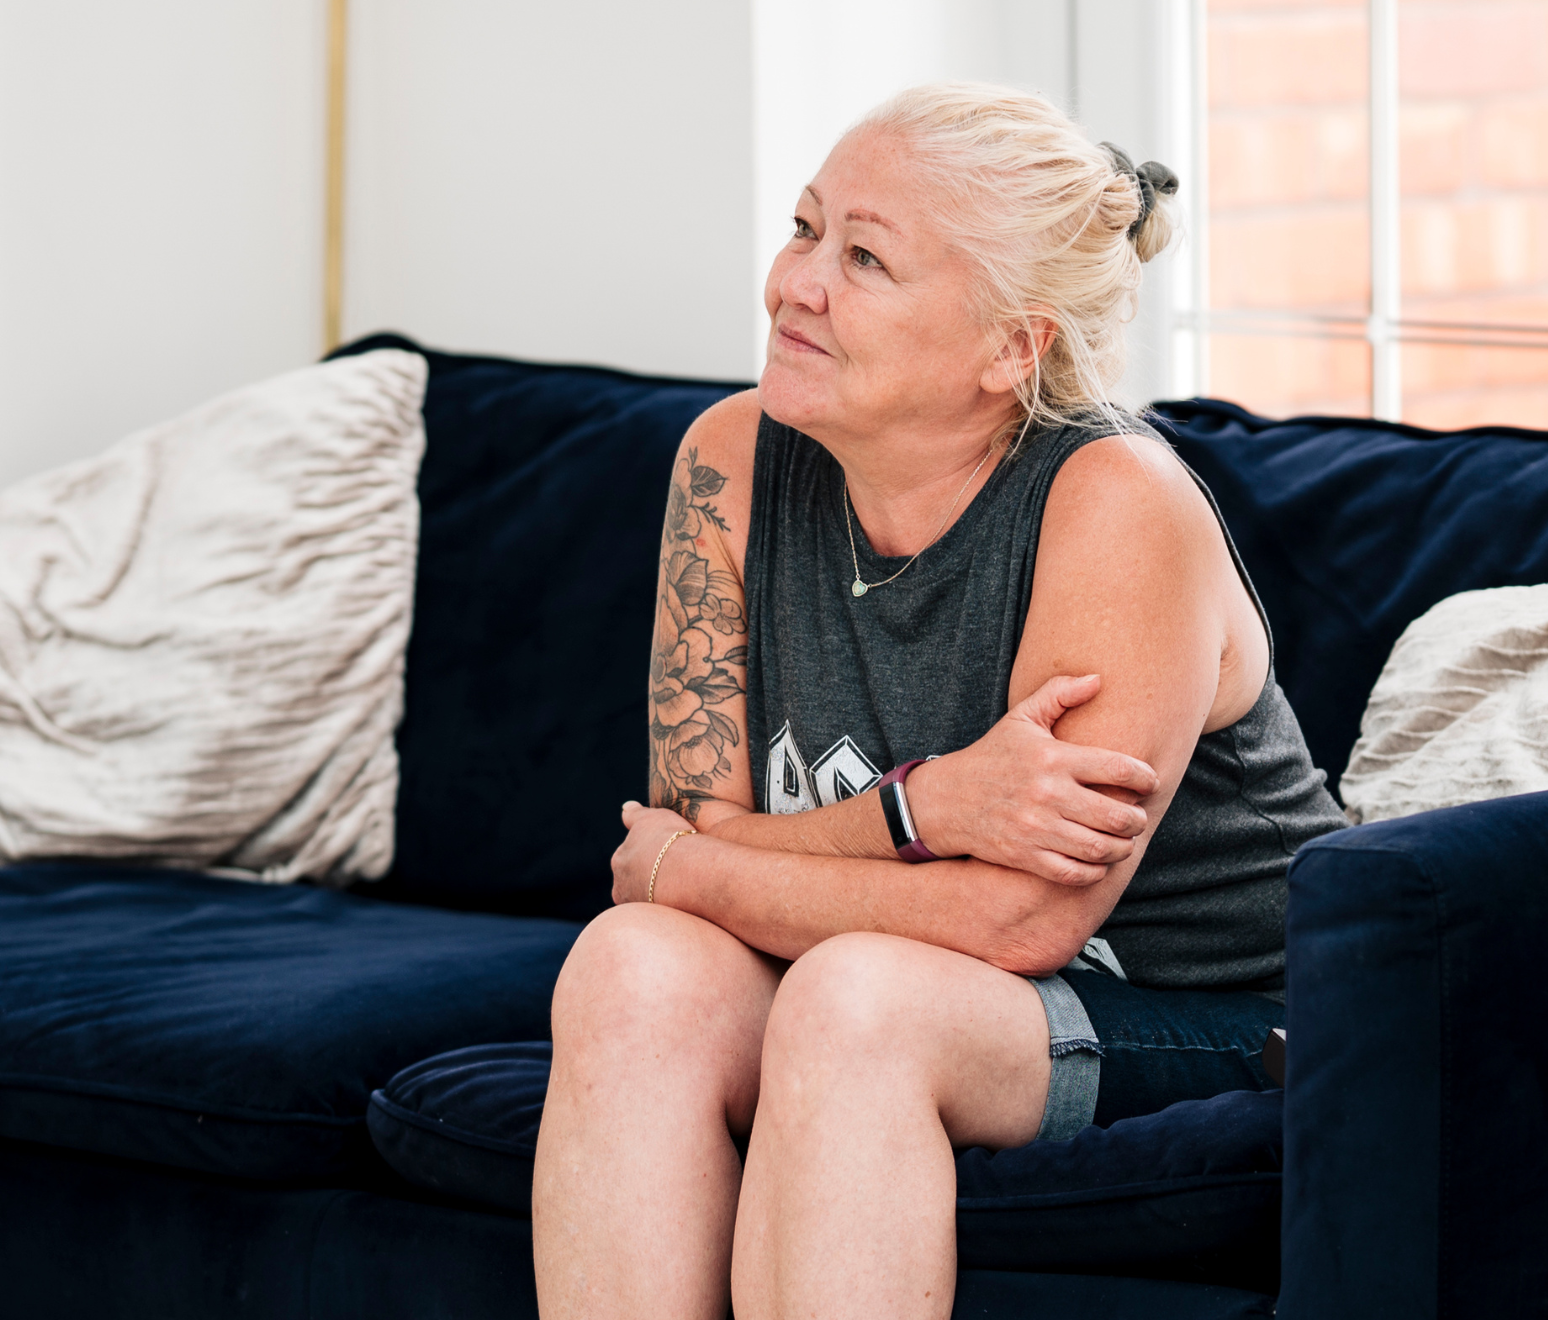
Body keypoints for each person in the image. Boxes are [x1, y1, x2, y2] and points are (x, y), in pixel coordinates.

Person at [531, 83, 1347, 1320]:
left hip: (1237, 1022)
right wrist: (928, 811)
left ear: (1008, 349)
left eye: (864, 258)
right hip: (956, 985)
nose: (797, 282)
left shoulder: (1116, 502)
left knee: (859, 1000)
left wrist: (699, 867)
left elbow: (1019, 924)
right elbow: (687, 854)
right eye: (806, 230)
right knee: (634, 966)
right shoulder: (730, 461)